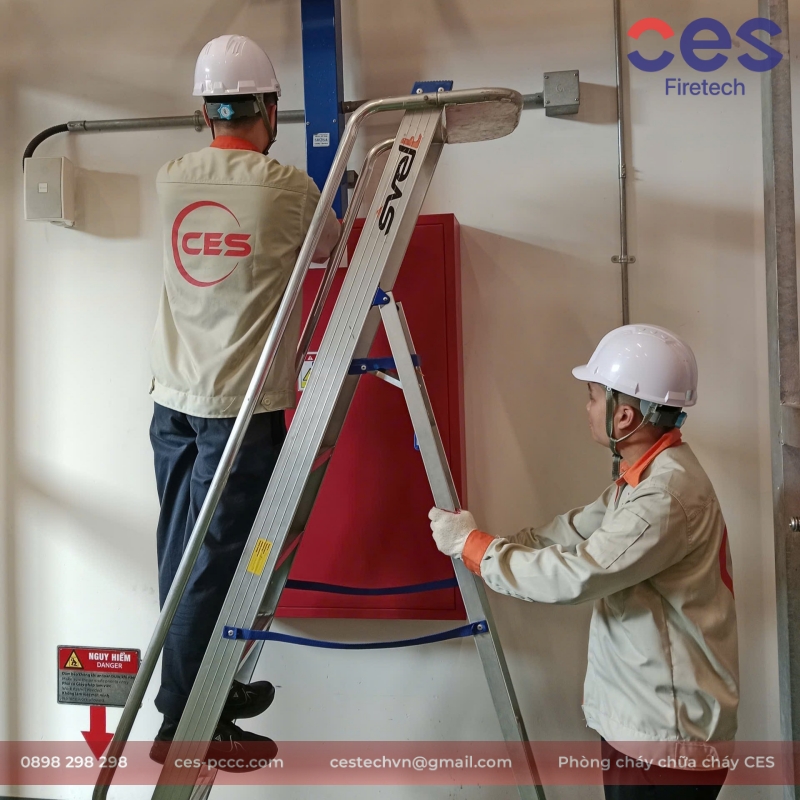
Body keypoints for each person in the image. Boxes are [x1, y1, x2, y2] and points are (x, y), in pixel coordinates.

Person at [429, 324, 739, 800]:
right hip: (649, 725)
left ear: (624, 416)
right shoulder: (645, 478)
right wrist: (492, 544)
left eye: (593, 397)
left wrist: (475, 548)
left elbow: (577, 574)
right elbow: (573, 530)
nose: (587, 408)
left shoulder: (663, 498)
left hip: (665, 740)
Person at [148, 34, 341, 762]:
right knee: (220, 562)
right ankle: (185, 723)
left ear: (205, 111)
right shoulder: (287, 189)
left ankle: (206, 690)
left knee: (182, 554)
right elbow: (327, 246)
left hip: (174, 402)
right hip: (240, 411)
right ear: (270, 107)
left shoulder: (171, 178)